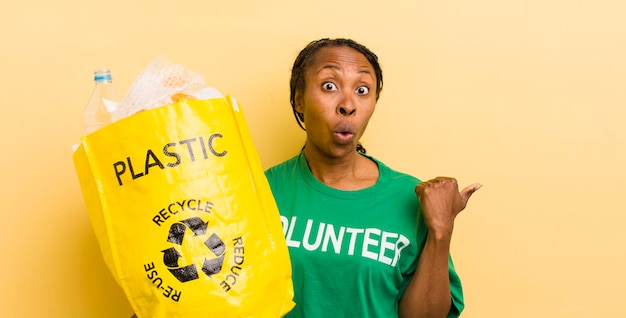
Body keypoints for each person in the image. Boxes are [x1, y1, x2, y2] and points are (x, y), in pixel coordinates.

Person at [264, 38, 481, 318]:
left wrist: (441, 231)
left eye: (362, 90)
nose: (348, 105)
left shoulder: (409, 197)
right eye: (329, 86)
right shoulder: (261, 190)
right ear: (299, 99)